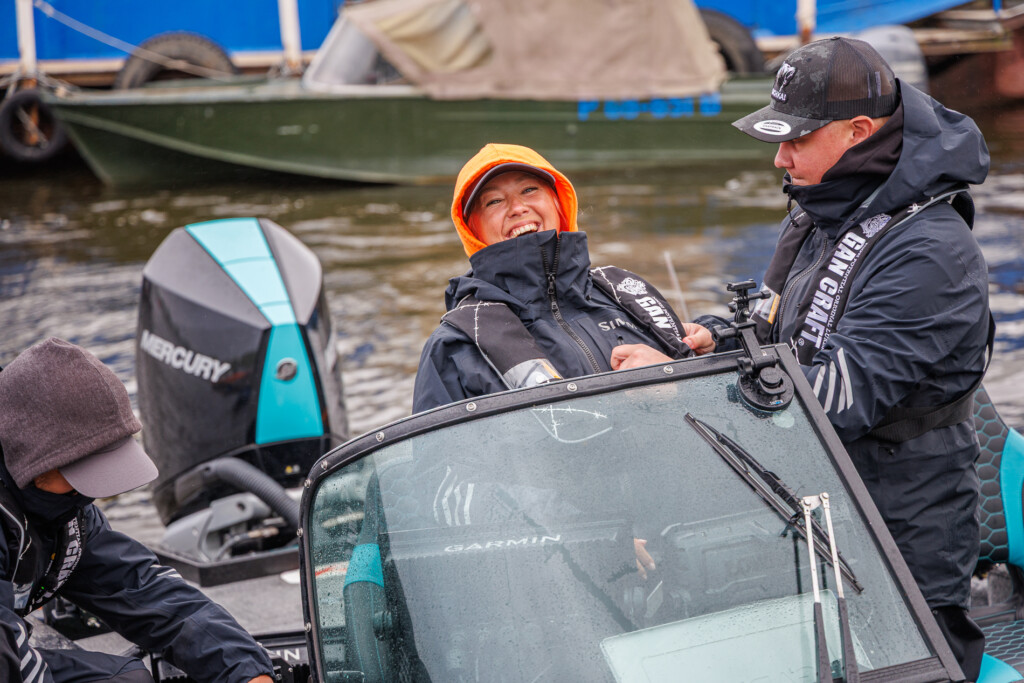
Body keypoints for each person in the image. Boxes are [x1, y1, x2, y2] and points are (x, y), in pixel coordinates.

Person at [615, 37, 991, 679]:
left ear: (858, 132)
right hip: (819, 503)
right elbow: (773, 320)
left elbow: (835, 403)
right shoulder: (820, 206)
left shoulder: (931, 251)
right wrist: (713, 337)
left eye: (796, 139)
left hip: (904, 522)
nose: (780, 158)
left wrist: (680, 391)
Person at [0, 337, 275, 683]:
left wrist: (245, 669)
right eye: (84, 476)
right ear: (36, 464)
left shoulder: (66, 510)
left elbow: (139, 587)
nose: (89, 495)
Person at [412, 142, 711, 414]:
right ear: (472, 229)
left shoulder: (624, 290)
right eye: (494, 202)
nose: (518, 208)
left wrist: (700, 354)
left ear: (558, 202)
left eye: (530, 190)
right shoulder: (453, 345)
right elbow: (440, 456)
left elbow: (714, 408)